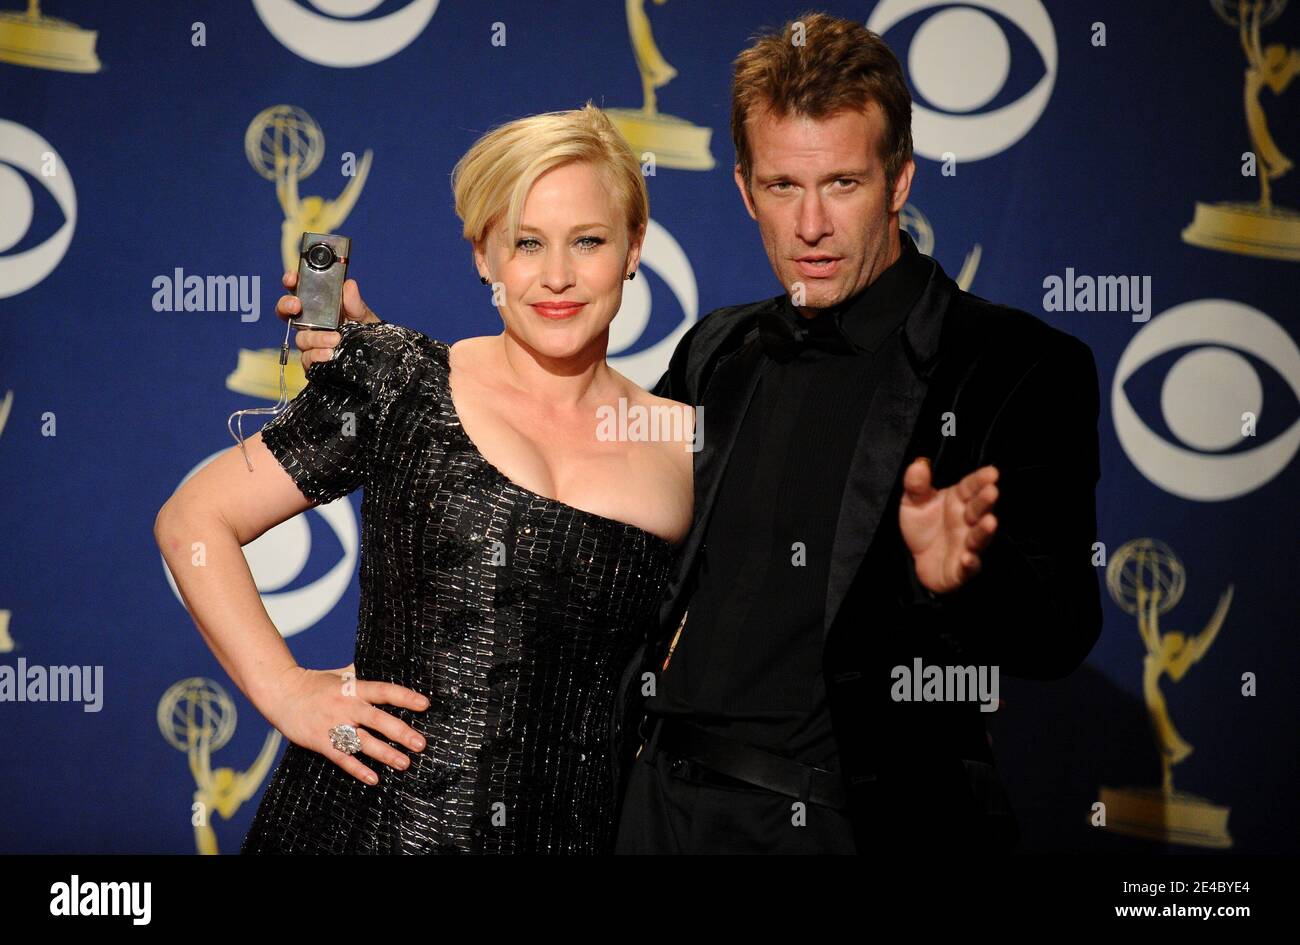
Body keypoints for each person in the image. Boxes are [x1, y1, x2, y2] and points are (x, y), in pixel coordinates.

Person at [290, 13, 1103, 855]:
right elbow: (577, 472)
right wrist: (400, 376)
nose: (812, 224)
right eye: (784, 187)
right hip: (652, 813)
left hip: (848, 826)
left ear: (899, 180)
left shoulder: (1014, 366)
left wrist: (957, 577)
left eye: (844, 185)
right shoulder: (721, 349)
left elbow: (1061, 630)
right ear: (747, 189)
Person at [155, 103, 693, 854]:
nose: (558, 276)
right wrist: (285, 690)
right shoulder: (403, 379)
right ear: (483, 255)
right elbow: (193, 520)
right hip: (364, 829)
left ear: (635, 247)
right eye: (526, 243)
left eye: (590, 241)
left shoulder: (682, 438)